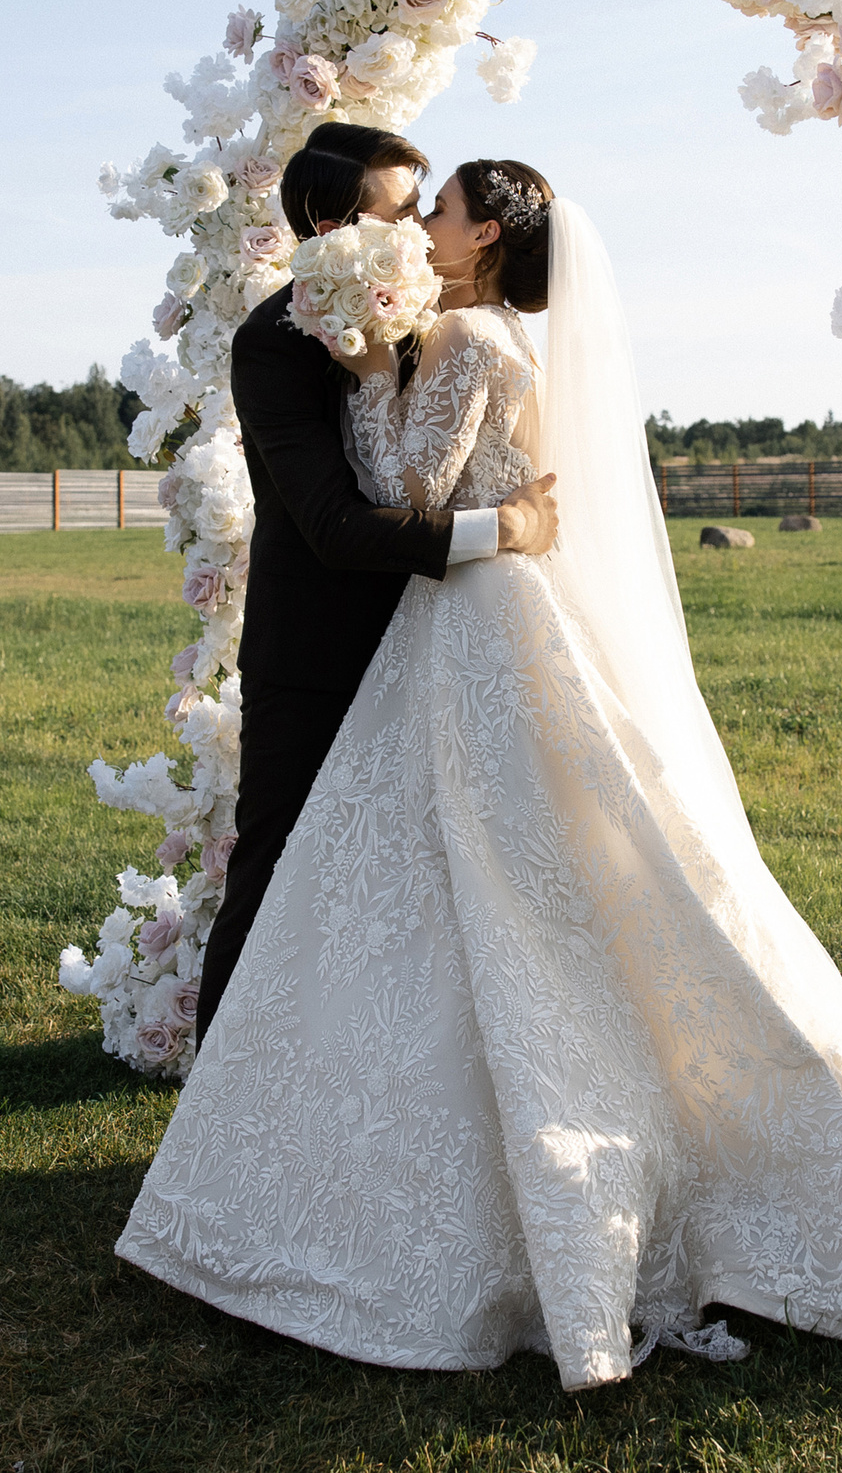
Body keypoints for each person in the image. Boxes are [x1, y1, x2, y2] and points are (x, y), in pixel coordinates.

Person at [118, 160, 842, 1390]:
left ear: (491, 239)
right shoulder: (487, 330)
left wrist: (365, 381)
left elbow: (404, 488)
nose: (423, 227)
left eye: (445, 210)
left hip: (479, 618)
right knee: (508, 860)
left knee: (475, 867)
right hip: (479, 610)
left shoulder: (465, 333)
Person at [195, 122, 559, 1045]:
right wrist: (504, 530)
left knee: (408, 882)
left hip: (431, 645)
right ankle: (220, 1082)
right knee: (276, 864)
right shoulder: (274, 342)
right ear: (333, 219)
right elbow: (336, 527)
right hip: (317, 648)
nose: (415, 231)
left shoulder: (436, 319)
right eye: (401, 211)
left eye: (423, 210)